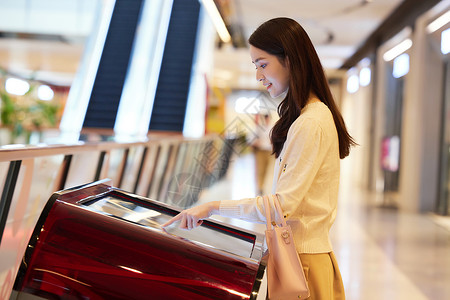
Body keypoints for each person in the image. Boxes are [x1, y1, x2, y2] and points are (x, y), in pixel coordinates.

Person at [163, 17, 356, 299]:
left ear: (289, 59)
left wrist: (214, 207)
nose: (258, 76)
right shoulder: (308, 117)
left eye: (263, 64)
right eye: (256, 67)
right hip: (299, 259)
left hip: (303, 265)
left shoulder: (310, 122)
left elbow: (282, 206)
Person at [252, 113, 274, 195]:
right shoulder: (259, 128)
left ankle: (263, 185)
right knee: (260, 170)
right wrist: (255, 142)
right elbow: (252, 138)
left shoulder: (272, 128)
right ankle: (260, 187)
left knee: (267, 169)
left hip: (269, 151)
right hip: (260, 151)